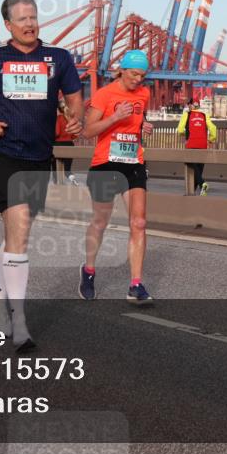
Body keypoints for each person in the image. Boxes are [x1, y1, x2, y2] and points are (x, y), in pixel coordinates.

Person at [0, 0, 83, 352]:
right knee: (17, 224)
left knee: (20, 231)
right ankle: (19, 321)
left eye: (34, 17)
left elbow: (75, 95)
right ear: (8, 25)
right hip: (3, 153)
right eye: (23, 19)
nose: (31, 24)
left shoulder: (59, 58)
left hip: (39, 155)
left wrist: (75, 115)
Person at [80, 50, 155, 304]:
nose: (138, 80)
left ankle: (135, 285)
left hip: (133, 163)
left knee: (139, 223)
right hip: (105, 165)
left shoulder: (144, 94)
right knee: (100, 223)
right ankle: (89, 270)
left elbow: (139, 119)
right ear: (122, 70)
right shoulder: (104, 94)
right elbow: (88, 131)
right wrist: (115, 117)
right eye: (134, 73)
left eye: (142, 75)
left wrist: (143, 125)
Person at [177, 100, 218, 195]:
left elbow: (179, 130)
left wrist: (184, 134)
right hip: (203, 144)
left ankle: (202, 183)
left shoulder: (187, 114)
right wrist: (211, 139)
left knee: (191, 166)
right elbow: (213, 128)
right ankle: (194, 192)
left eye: (188, 105)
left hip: (191, 144)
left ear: (191, 105)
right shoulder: (204, 115)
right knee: (199, 168)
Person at [51, 99, 79, 185]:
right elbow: (75, 135)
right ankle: (72, 178)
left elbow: (57, 132)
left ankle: (56, 181)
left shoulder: (58, 119)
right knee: (67, 169)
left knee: (54, 164)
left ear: (58, 109)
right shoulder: (70, 119)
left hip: (58, 145)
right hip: (70, 145)